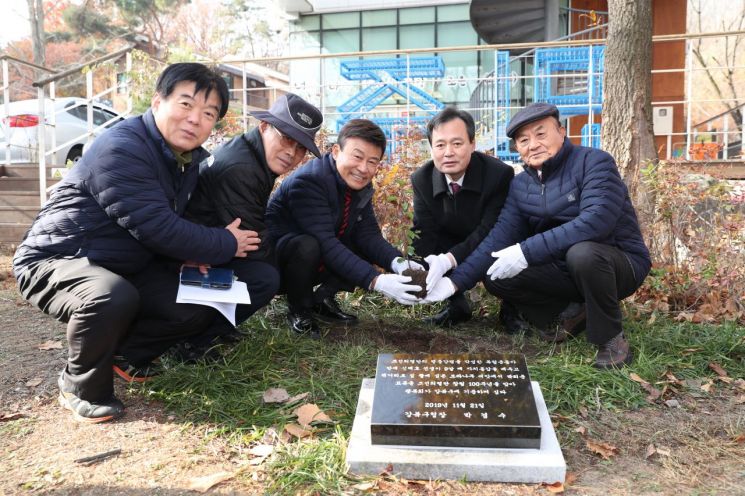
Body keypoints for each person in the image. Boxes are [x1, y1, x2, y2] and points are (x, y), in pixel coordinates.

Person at [12, 63, 259, 423]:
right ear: (158, 101)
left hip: (126, 262)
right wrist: (224, 242)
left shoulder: (185, 160)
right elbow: (157, 227)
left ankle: (121, 353)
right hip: (58, 257)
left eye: (209, 113)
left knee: (197, 300)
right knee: (109, 295)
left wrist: (189, 257)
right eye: (186, 105)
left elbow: (168, 224)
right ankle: (80, 385)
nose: (195, 119)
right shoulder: (122, 146)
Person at [425, 102, 651, 369]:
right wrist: (454, 284)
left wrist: (524, 252)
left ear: (562, 132)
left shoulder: (594, 162)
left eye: (541, 134)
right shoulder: (521, 185)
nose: (533, 145)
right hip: (563, 267)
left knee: (583, 253)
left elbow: (595, 222)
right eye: (523, 140)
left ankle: (611, 340)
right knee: (496, 275)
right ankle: (576, 310)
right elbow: (498, 238)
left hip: (617, 263)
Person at [184, 93, 324, 351]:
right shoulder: (242, 168)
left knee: (293, 250)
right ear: (264, 127)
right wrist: (295, 279)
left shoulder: (252, 154)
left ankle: (215, 325)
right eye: (286, 139)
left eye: (301, 147)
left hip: (209, 249)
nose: (291, 153)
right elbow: (251, 243)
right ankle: (195, 338)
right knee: (265, 279)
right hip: (187, 266)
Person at [265, 118, 424, 337]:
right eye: (357, 157)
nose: (363, 168)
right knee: (307, 245)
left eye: (372, 161)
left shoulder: (358, 183)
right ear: (336, 151)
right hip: (277, 266)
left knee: (362, 242)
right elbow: (325, 243)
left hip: (317, 257)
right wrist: (377, 281)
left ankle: (322, 299)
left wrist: (400, 264)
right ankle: (299, 309)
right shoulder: (309, 181)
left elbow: (369, 235)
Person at [411, 107, 514, 326]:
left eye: (457, 143)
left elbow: (491, 230)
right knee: (427, 251)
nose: (448, 152)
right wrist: (415, 272)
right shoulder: (422, 179)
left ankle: (512, 308)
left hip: (489, 241)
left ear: (473, 144)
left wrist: (449, 259)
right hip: (451, 240)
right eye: (440, 145)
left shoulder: (498, 175)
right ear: (431, 148)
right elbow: (423, 232)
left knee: (507, 249)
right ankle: (457, 306)